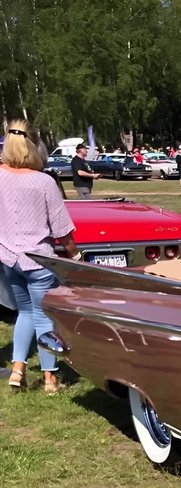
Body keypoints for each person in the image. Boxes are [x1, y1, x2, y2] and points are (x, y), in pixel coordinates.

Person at [1, 120, 78, 392]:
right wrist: (75, 255)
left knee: (24, 313)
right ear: (35, 146)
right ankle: (49, 378)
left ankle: (18, 369)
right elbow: (62, 229)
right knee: (43, 315)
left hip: (8, 258)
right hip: (39, 260)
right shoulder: (43, 182)